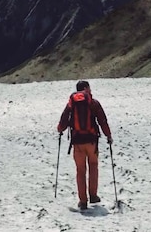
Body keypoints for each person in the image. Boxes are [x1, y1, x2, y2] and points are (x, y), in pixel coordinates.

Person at [57, 79, 113, 210]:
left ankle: (83, 201)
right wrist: (108, 135)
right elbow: (102, 120)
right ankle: (93, 195)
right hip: (92, 141)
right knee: (93, 166)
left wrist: (60, 129)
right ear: (87, 88)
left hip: (77, 142)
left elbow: (64, 119)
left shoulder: (72, 103)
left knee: (80, 171)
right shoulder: (93, 103)